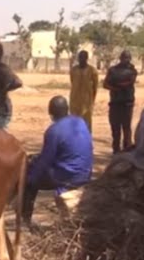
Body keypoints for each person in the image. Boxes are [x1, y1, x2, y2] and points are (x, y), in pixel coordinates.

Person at [22, 96, 94, 228]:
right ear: (67, 110)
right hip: (86, 173)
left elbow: (45, 161)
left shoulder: (53, 131)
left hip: (67, 177)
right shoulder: (80, 122)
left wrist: (30, 178)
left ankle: (25, 220)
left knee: (30, 180)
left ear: (51, 114)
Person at [105, 51, 139, 153]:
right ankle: (116, 150)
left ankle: (126, 149)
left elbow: (130, 82)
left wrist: (116, 85)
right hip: (115, 103)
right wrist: (116, 88)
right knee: (115, 128)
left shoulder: (132, 70)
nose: (126, 60)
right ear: (120, 58)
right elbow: (105, 84)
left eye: (128, 58)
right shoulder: (112, 70)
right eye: (125, 58)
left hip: (127, 103)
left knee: (126, 128)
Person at [0, 42, 23, 130]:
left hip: (1, 110)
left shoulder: (1, 68)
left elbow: (18, 82)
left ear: (0, 54)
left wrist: (4, 90)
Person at [68, 50, 99, 133]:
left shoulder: (92, 71)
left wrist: (91, 99)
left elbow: (95, 86)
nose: (81, 59)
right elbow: (72, 81)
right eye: (80, 57)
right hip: (74, 101)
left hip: (87, 101)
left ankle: (86, 138)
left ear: (86, 58)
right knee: (74, 121)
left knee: (86, 122)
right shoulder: (73, 70)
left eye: (83, 57)